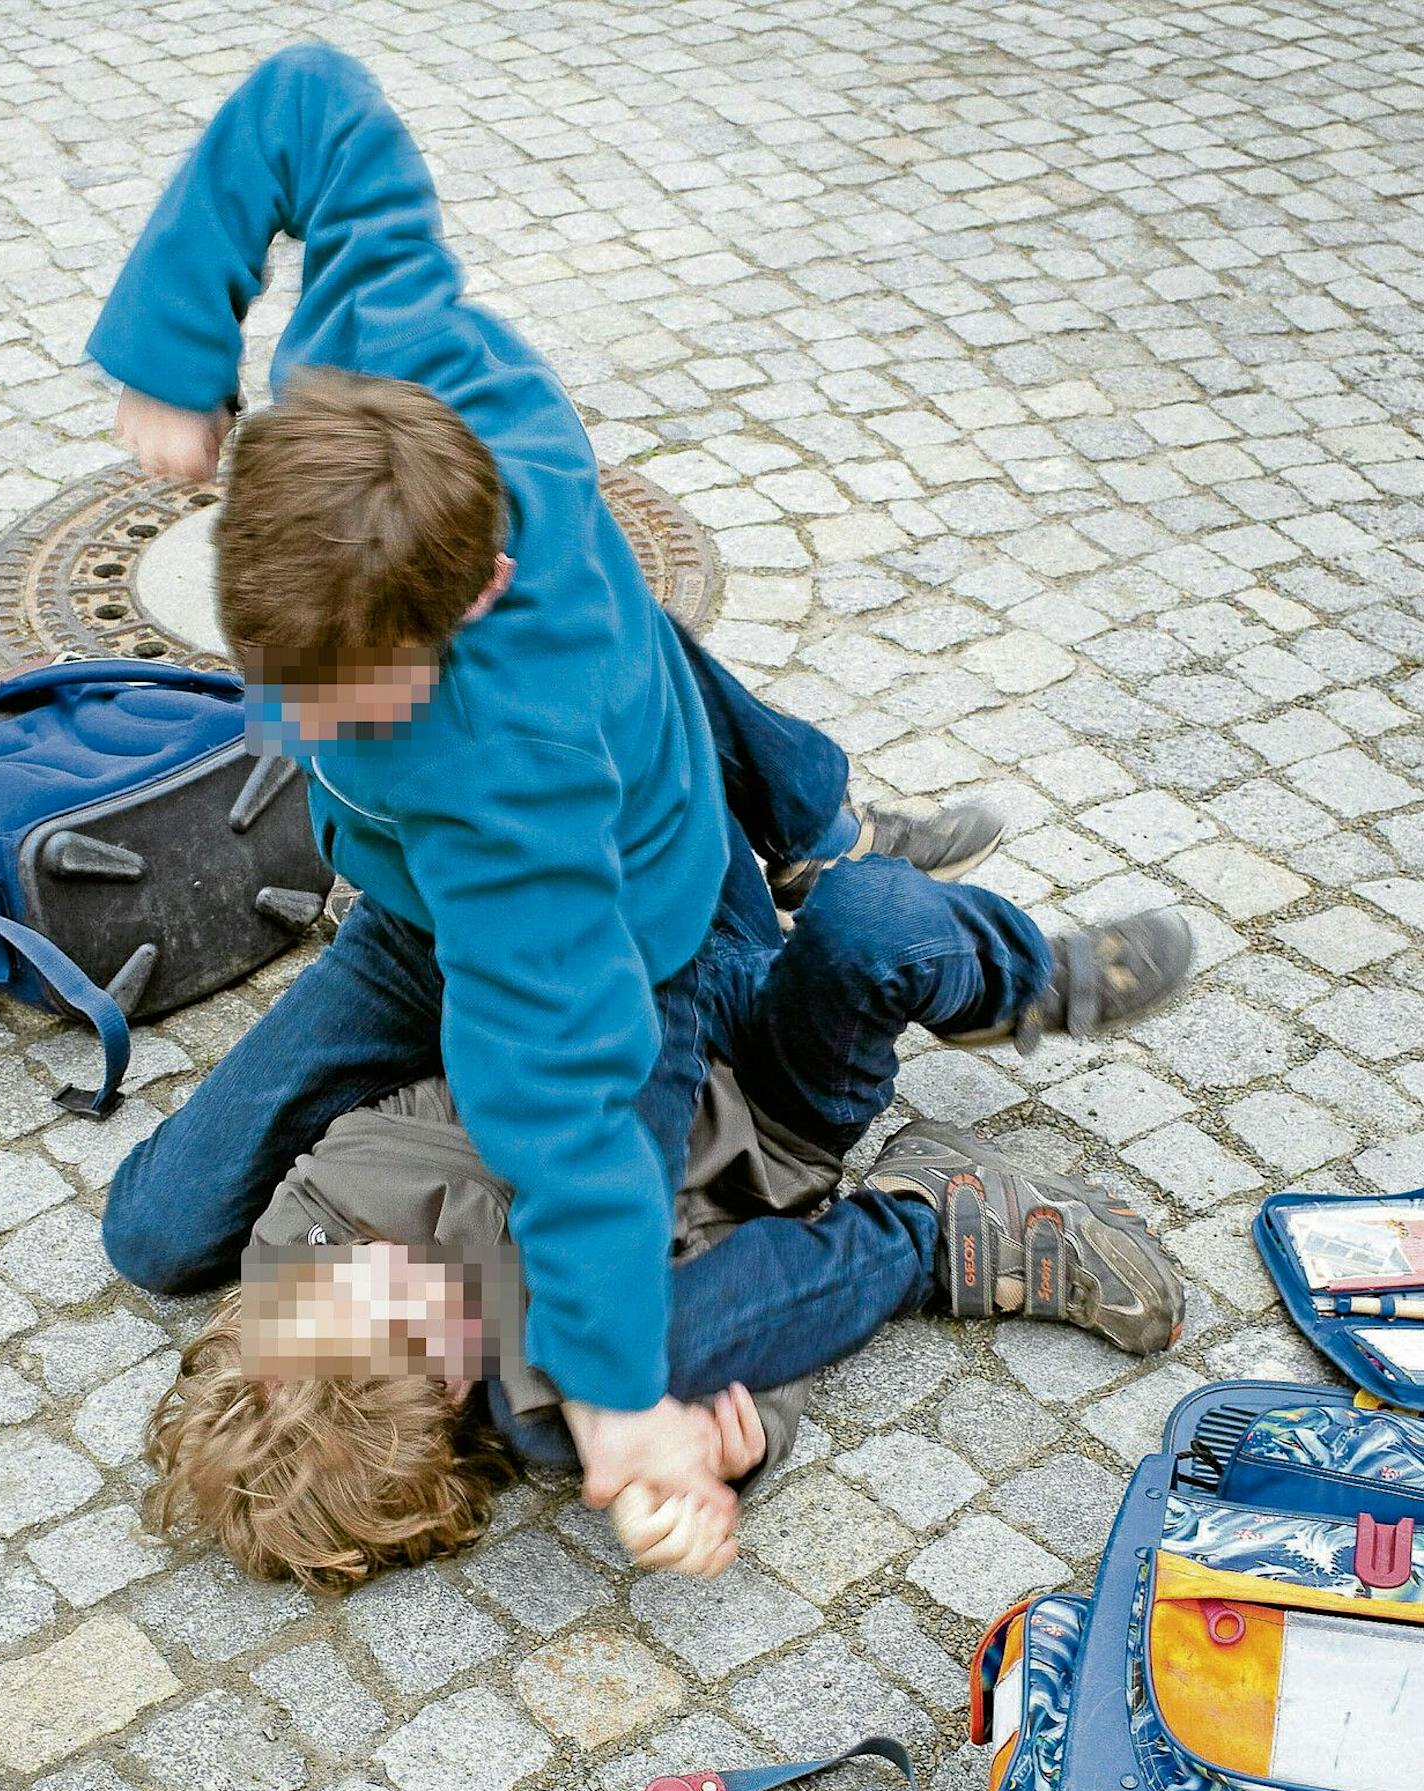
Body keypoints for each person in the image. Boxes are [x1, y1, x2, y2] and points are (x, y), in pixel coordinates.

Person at [90, 43, 1020, 1541]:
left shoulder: (503, 793)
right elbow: (311, 102)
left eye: (342, 697)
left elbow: (566, 1108)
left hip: (652, 942)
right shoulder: (388, 374)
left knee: (567, 1292)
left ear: (473, 605)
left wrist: (612, 1400)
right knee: (152, 1233)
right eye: (273, 666)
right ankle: (807, 804)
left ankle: (918, 1185)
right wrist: (170, 339)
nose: (294, 722)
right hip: (410, 928)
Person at [142, 846, 1188, 1588]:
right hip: (777, 1106)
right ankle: (932, 1222)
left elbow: (530, 1125)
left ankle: (991, 961)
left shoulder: (302, 1228)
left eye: (386, 1306)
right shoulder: (521, 1401)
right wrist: (727, 1444)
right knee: (873, 920)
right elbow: (754, 1316)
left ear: (280, 1307)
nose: (440, 1306)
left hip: (649, 992)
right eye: (441, 1361)